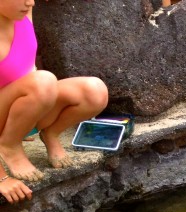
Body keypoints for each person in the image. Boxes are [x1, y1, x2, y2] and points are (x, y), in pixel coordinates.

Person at [0, 0, 109, 193]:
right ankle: (9, 146)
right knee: (44, 81)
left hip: (27, 115)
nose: (30, 2)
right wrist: (2, 179)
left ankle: (50, 133)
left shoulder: (24, 12)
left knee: (94, 91)